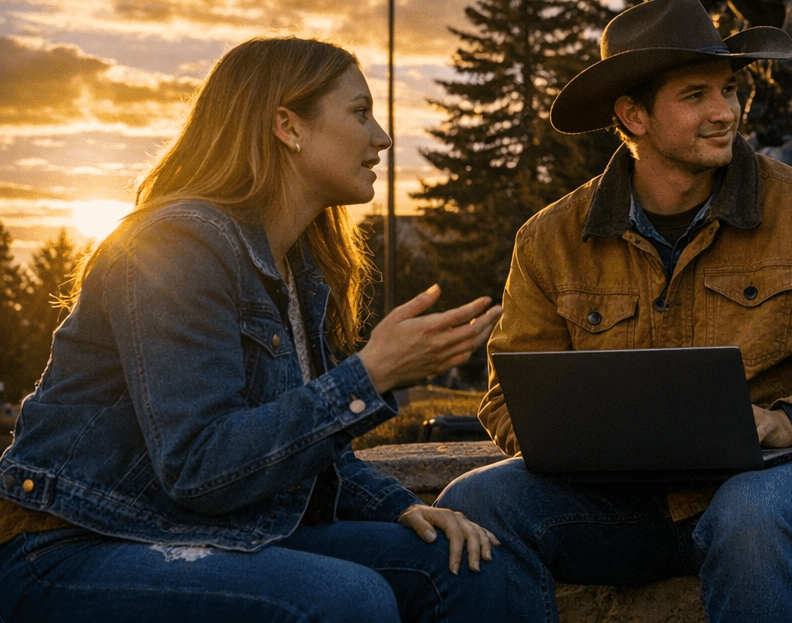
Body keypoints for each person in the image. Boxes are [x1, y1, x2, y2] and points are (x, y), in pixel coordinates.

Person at [435, 0, 792, 623]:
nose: (725, 112)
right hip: (624, 503)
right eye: (695, 96)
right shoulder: (550, 239)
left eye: (729, 90)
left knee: (750, 516)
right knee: (475, 504)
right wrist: (588, 448)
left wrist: (791, 421)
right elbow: (509, 395)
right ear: (633, 116)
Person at [0, 37, 510, 622]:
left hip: (204, 531)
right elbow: (199, 465)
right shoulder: (175, 245)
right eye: (360, 112)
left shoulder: (298, 267)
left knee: (469, 563)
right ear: (287, 127)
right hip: (74, 543)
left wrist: (398, 506)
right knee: (347, 599)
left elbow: (305, 448)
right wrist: (371, 375)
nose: (383, 138)